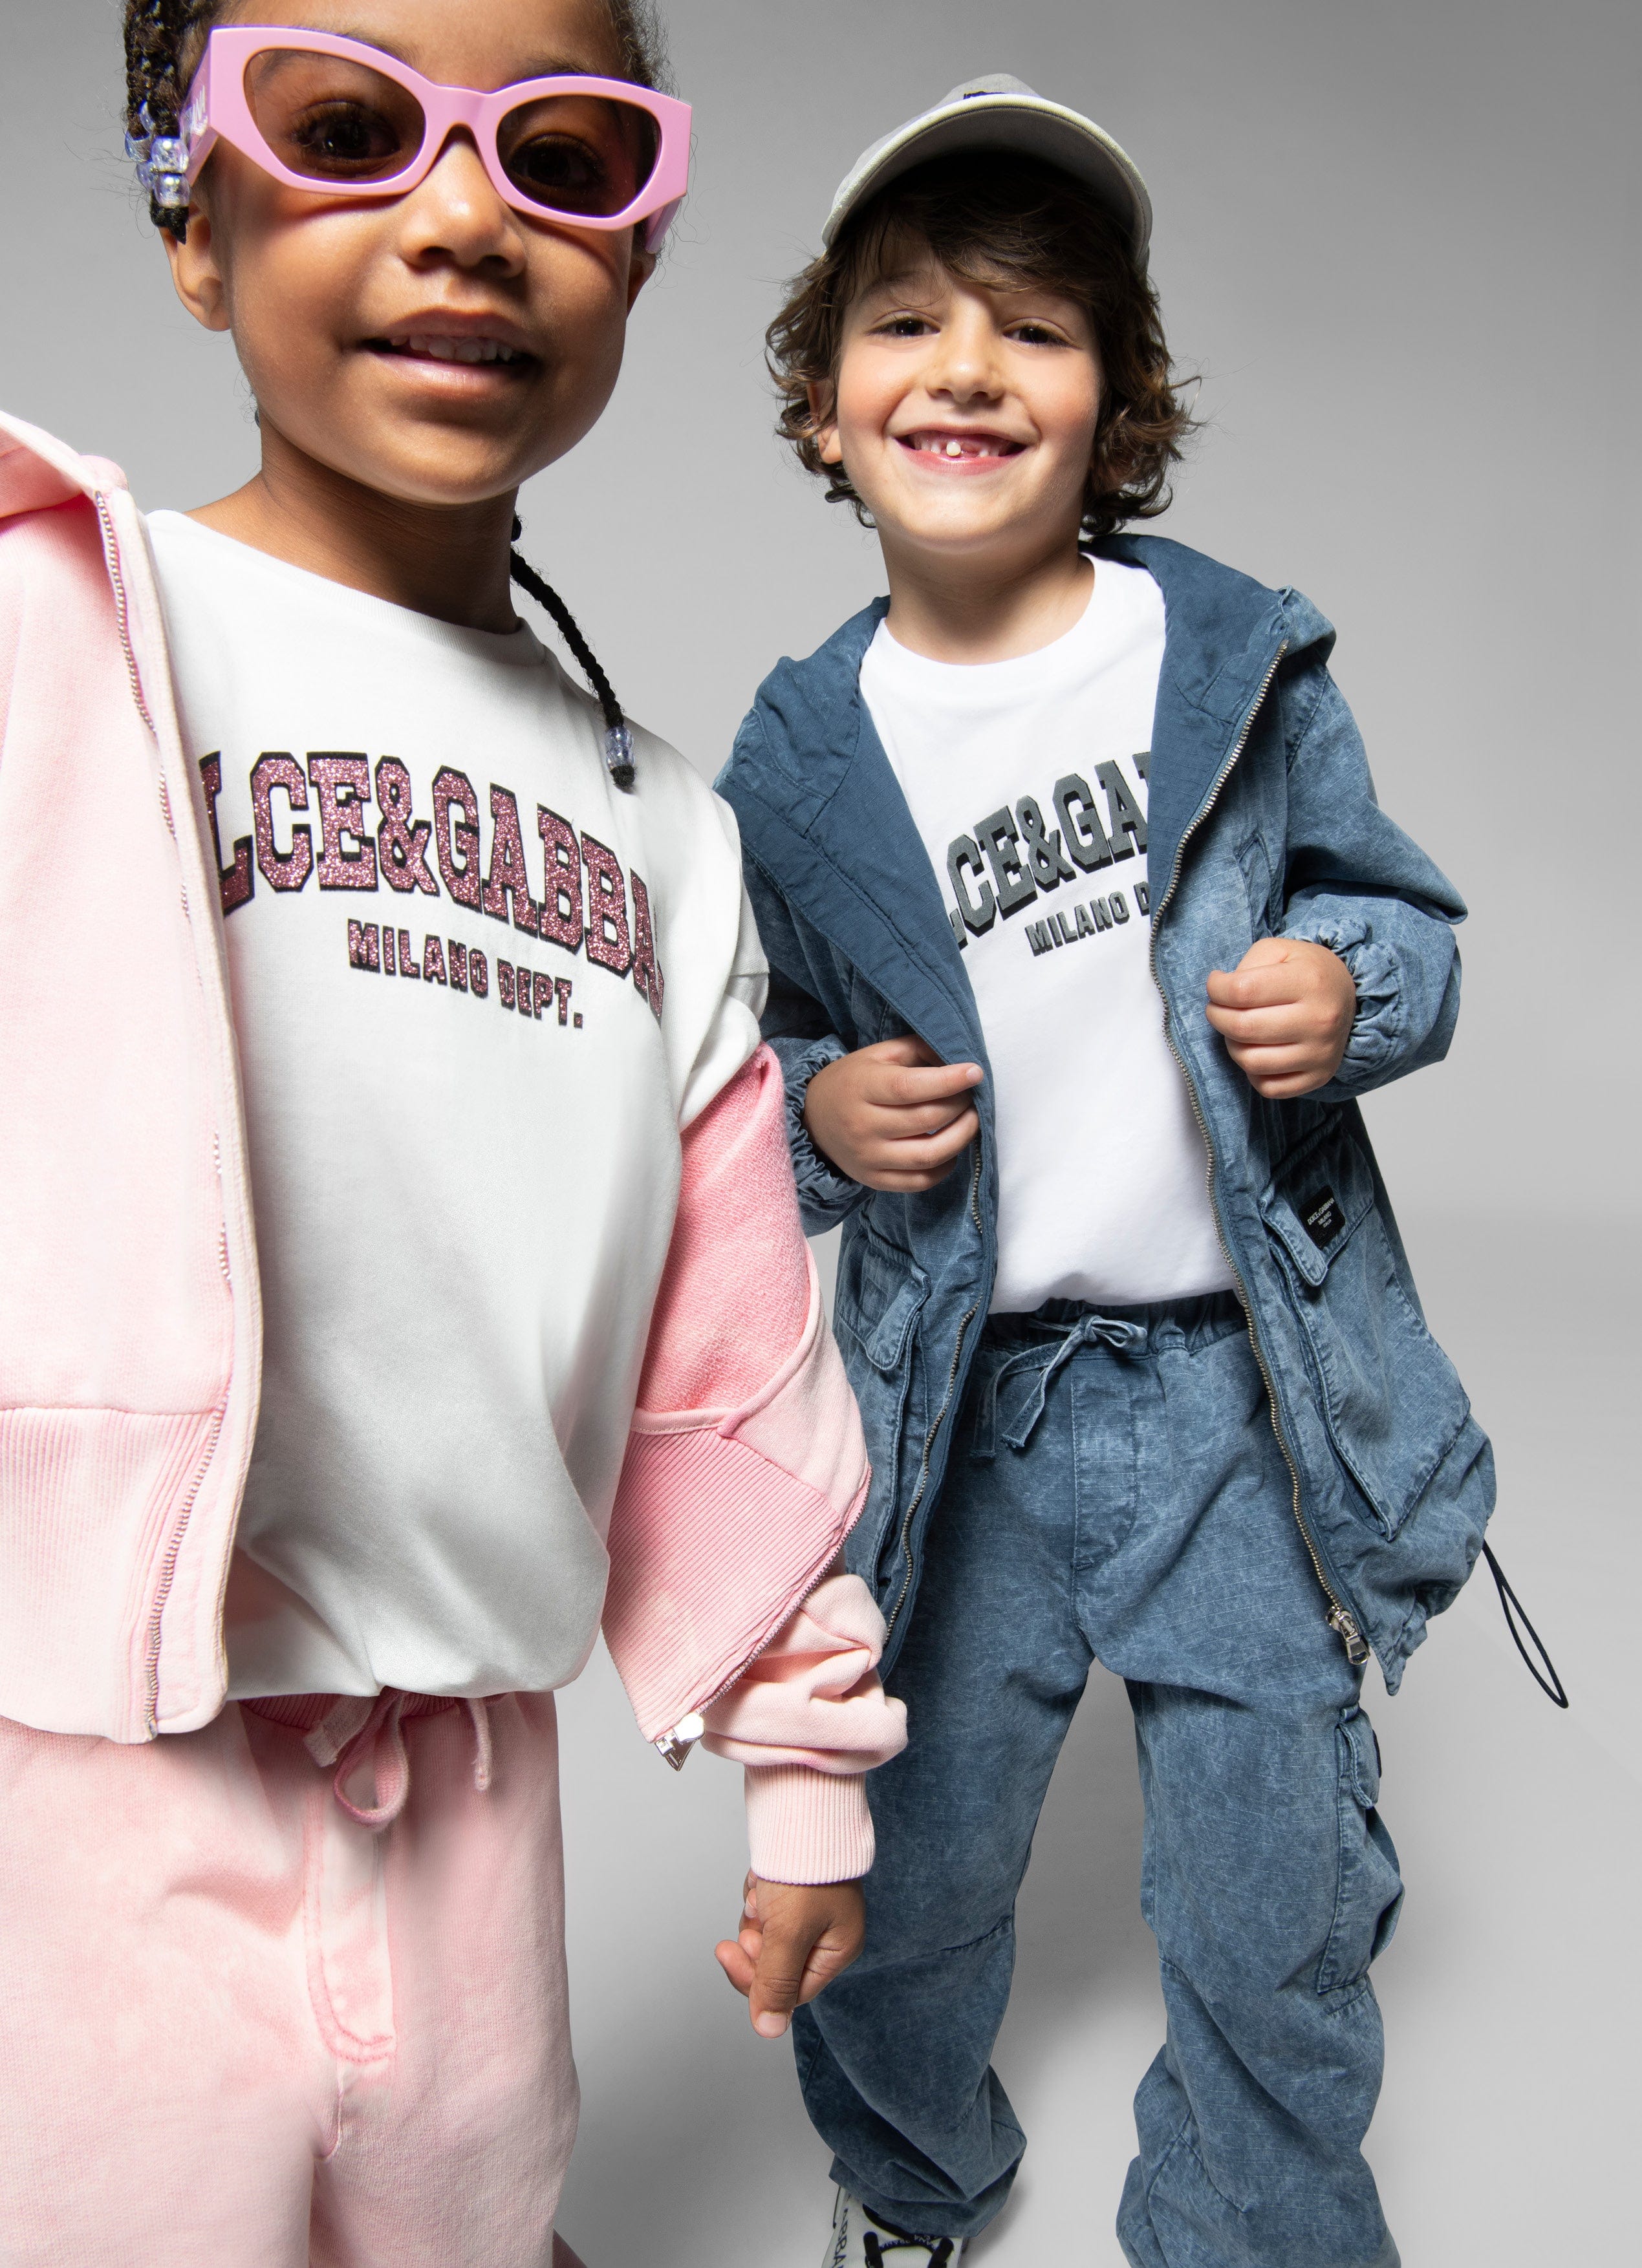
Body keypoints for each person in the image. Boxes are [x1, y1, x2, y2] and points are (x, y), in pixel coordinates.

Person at [0, 5, 908, 2265]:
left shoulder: (662, 828)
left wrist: (808, 1762)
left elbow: (725, 1361)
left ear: (641, 250)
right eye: (346, 127)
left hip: (474, 1796)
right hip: (84, 1770)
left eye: (566, 160)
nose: (466, 216)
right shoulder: (53, 629)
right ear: (194, 220)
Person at [717, 76, 1494, 2268]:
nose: (965, 366)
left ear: (1116, 402)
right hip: (958, 1418)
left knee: (1271, 1894)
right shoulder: (794, 759)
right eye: (904, 322)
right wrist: (818, 1117)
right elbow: (743, 1065)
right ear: (822, 402)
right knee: (910, 1873)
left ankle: (1251, 2232)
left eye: (1034, 329)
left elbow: (1408, 927)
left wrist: (1348, 987)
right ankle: (912, 2179)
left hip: (1233, 1397)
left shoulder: (1232, 662)